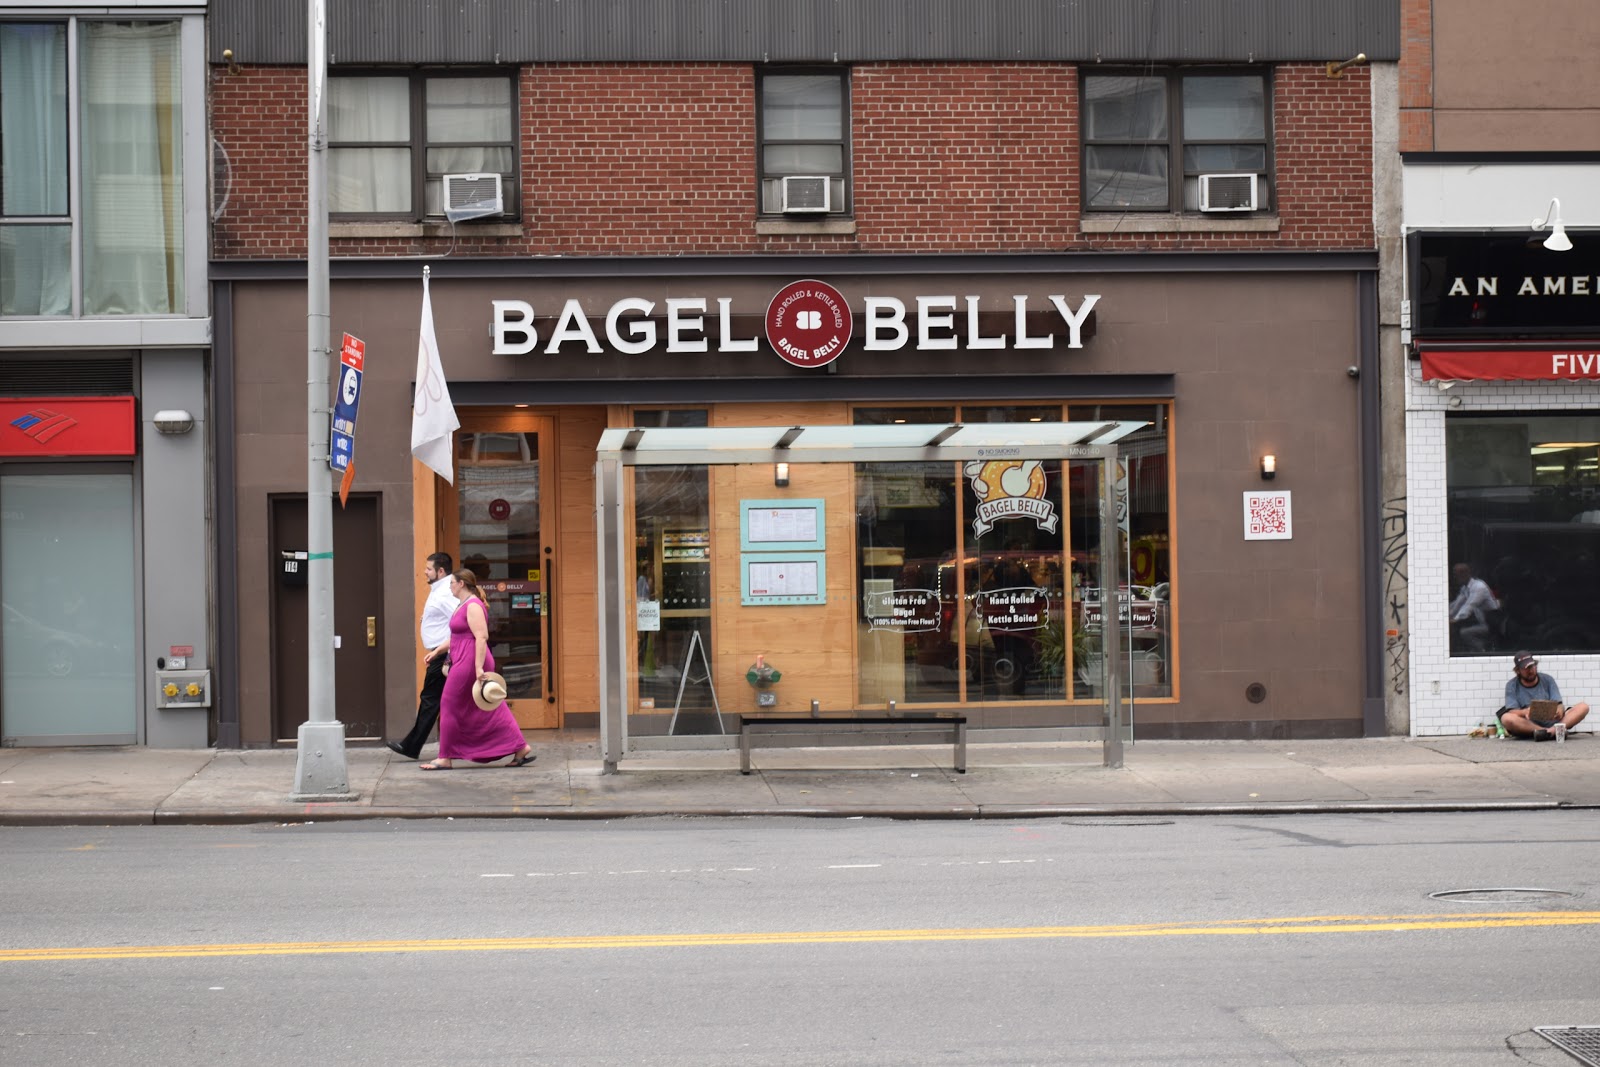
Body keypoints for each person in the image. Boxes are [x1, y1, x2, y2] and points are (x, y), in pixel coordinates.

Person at [420, 569, 536, 770]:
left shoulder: (473, 605)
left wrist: (478, 667)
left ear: (461, 584)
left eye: (452, 583)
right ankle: (520, 747)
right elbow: (458, 636)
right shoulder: (463, 604)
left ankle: (445, 757)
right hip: (465, 659)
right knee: (488, 705)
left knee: (448, 703)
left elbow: (481, 637)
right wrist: (438, 651)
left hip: (470, 661)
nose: (450, 587)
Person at [385, 552, 456, 760]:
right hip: (439, 653)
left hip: (443, 655)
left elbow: (460, 621)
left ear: (440, 571)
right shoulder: (439, 590)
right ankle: (412, 746)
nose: (425, 571)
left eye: (428, 568)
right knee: (436, 701)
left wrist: (444, 652)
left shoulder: (444, 593)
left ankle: (411, 746)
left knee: (430, 700)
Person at [1499, 651, 1589, 742]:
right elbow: (1512, 711)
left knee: (1583, 707)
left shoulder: (1547, 679)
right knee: (1506, 718)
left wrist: (1560, 711)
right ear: (1518, 670)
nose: (1531, 670)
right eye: (1526, 668)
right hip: (1529, 724)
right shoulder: (1512, 685)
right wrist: (1525, 712)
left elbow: (1559, 704)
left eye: (1532, 666)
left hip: (1554, 721)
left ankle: (1551, 731)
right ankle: (1548, 732)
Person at [1448, 563, 1499, 653]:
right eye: (1454, 575)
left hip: (1493, 624)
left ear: (1467, 573)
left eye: (1457, 574)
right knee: (1460, 629)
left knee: (1465, 632)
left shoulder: (1479, 587)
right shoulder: (1465, 588)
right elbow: (1457, 604)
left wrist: (1455, 620)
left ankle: (1482, 652)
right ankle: (1473, 650)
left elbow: (1469, 606)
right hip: (1482, 622)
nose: (1455, 578)